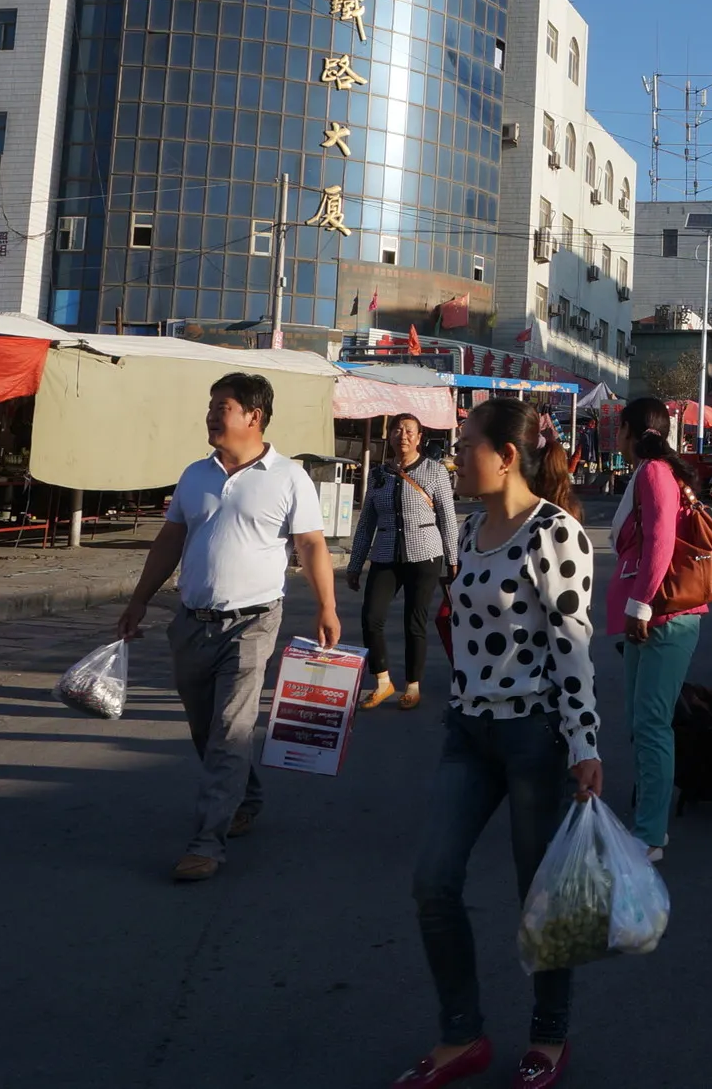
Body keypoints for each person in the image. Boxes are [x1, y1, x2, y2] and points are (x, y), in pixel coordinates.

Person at [398, 399, 601, 1089]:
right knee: (433, 880)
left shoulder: (557, 532)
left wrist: (584, 743)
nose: (456, 456)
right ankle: (462, 1034)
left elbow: (573, 648)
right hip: (467, 728)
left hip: (532, 737)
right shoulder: (478, 527)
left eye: (466, 444)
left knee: (536, 895)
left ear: (506, 455)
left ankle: (549, 1034)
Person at [114, 373, 339, 884]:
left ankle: (205, 842)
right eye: (211, 405)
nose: (212, 415)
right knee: (207, 730)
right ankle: (247, 796)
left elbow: (310, 546)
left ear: (253, 417)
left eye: (223, 406)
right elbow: (170, 541)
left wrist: (326, 606)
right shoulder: (195, 474)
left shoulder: (289, 478)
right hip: (191, 622)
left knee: (231, 730)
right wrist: (139, 600)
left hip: (254, 622)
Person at [609, 395, 704, 860]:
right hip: (652, 614)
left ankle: (650, 833)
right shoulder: (650, 473)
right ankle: (646, 816)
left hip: (665, 614)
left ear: (630, 430)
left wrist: (642, 604)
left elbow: (662, 537)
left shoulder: (653, 473)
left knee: (650, 724)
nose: (616, 436)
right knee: (640, 720)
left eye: (619, 428)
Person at [347, 413, 458, 711]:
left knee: (414, 621)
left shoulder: (435, 471)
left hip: (425, 554)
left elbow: (447, 517)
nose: (403, 435)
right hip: (385, 553)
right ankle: (382, 682)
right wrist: (355, 563)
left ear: (420, 437)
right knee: (371, 617)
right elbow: (366, 522)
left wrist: (453, 559)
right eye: (397, 430)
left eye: (409, 431)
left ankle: (413, 685)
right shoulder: (378, 474)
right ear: (390, 436)